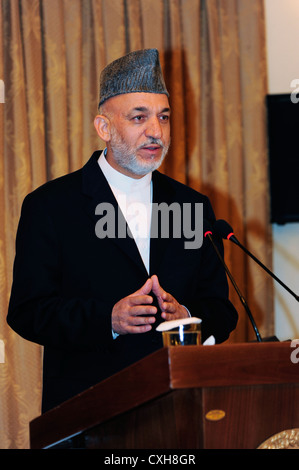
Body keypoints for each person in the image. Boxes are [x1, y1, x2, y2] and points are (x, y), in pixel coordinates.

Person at [7, 49, 238, 414]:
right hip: (87, 413)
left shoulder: (191, 206)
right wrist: (108, 320)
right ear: (104, 127)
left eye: (163, 117)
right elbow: (28, 311)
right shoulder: (52, 205)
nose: (156, 132)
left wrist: (188, 316)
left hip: (180, 410)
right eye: (139, 117)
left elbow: (222, 310)